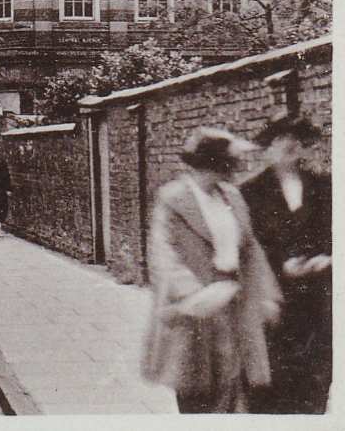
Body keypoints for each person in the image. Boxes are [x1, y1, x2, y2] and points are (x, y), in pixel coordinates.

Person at [141, 127, 281, 414]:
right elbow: (162, 253)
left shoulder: (231, 195)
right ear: (217, 163)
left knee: (234, 386)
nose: (237, 167)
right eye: (232, 161)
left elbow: (251, 249)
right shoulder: (173, 198)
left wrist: (267, 293)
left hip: (235, 302)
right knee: (197, 392)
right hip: (196, 309)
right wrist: (195, 295)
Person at [240, 116, 331, 414]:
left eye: (297, 138)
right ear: (267, 148)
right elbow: (245, 250)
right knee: (268, 390)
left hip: (315, 303)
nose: (290, 143)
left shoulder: (324, 187)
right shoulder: (249, 193)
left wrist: (326, 259)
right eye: (281, 138)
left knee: (312, 386)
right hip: (271, 304)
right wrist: (281, 269)